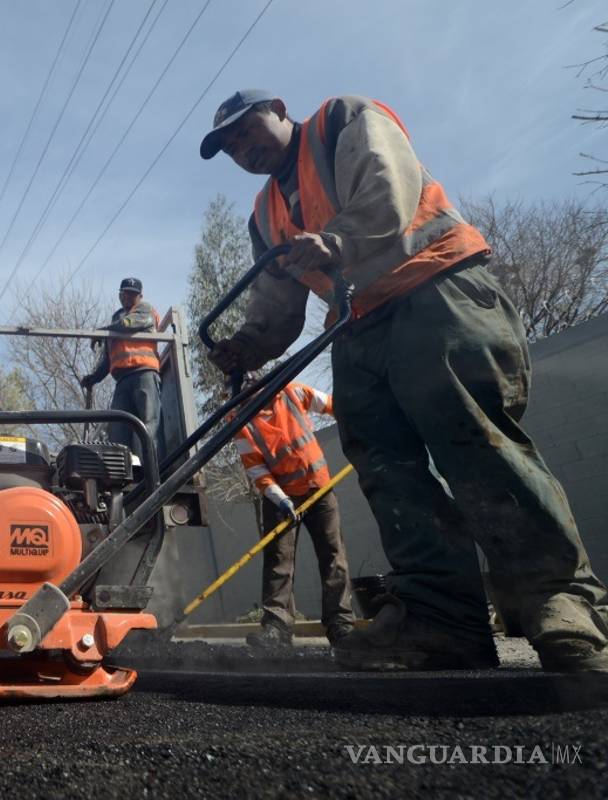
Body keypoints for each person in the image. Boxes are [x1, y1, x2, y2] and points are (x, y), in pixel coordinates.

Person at [199, 89, 608, 672]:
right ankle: (441, 619)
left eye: (246, 131)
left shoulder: (341, 122)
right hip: (360, 325)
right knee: (386, 467)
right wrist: (247, 346)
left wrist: (335, 241)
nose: (243, 149)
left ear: (280, 110)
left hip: (435, 286)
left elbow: (388, 193)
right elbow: (278, 305)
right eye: (231, 147)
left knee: (472, 440)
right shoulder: (265, 215)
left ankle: (560, 600)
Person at [233, 379, 355, 651]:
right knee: (279, 561)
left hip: (319, 488)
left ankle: (341, 626)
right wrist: (281, 499)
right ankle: (277, 628)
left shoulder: (291, 391)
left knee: (334, 556)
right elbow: (256, 469)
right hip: (281, 499)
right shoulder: (240, 421)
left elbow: (332, 405)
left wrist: (357, 422)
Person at [81, 278, 162, 456]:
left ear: (140, 296)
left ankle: (150, 474)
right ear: (119, 295)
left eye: (132, 294)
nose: (128, 297)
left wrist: (101, 332)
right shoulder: (115, 319)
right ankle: (124, 475)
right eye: (125, 293)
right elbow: (108, 359)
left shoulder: (144, 309)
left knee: (147, 424)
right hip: (123, 380)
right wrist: (94, 378)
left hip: (144, 374)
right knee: (118, 428)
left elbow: (128, 325)